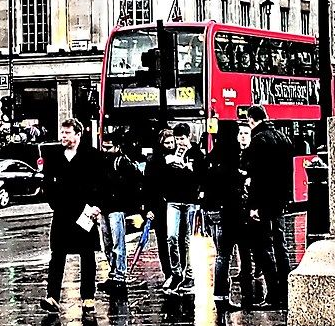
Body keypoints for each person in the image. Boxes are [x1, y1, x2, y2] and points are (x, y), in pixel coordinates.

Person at [42, 117, 105, 299]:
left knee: (87, 256)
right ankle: (52, 296)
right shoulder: (54, 157)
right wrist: (54, 203)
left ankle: (88, 298)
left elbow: (101, 184)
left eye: (67, 132)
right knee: (57, 256)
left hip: (85, 213)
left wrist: (96, 206)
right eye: (62, 132)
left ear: (78, 134)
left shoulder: (92, 156)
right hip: (62, 213)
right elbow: (47, 184)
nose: (63, 136)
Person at [238, 107, 295, 308]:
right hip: (281, 200)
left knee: (264, 246)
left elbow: (256, 176)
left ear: (251, 120)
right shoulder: (284, 138)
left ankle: (273, 294)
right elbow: (289, 172)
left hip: (263, 201)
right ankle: (288, 291)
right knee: (281, 245)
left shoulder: (259, 140)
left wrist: (253, 205)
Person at [146, 123, 203, 293]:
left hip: (190, 200)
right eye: (177, 140)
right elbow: (160, 178)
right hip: (173, 200)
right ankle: (176, 271)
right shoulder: (170, 155)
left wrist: (187, 169)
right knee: (171, 237)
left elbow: (201, 177)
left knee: (186, 239)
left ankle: (189, 275)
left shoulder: (196, 154)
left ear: (189, 137)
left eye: (182, 139)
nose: (180, 143)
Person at [201, 119, 249, 304]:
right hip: (227, 210)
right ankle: (221, 294)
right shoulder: (231, 155)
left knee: (221, 252)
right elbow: (230, 183)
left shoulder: (212, 156)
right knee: (225, 254)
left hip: (212, 210)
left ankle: (220, 294)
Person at [99, 131, 149, 287]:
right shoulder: (104, 161)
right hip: (105, 206)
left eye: (108, 147)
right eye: (104, 147)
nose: (105, 150)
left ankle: (119, 274)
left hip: (117, 206)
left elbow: (136, 182)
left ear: (117, 147)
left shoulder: (123, 162)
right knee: (107, 243)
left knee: (117, 242)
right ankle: (114, 272)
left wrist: (129, 201)